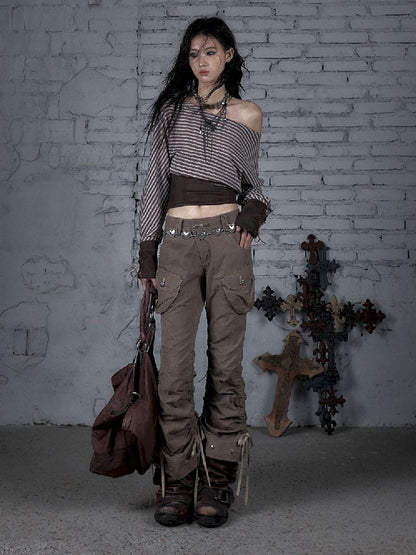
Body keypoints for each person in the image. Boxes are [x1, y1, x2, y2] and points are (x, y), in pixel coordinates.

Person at [138, 17, 271, 528]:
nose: (201, 61)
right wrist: (147, 255)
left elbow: (253, 184)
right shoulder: (170, 112)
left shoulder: (248, 114)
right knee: (174, 371)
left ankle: (217, 479)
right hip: (175, 245)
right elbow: (154, 184)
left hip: (227, 244)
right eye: (194, 53)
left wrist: (252, 214)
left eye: (210, 51)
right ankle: (177, 479)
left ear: (229, 55)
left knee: (225, 367)